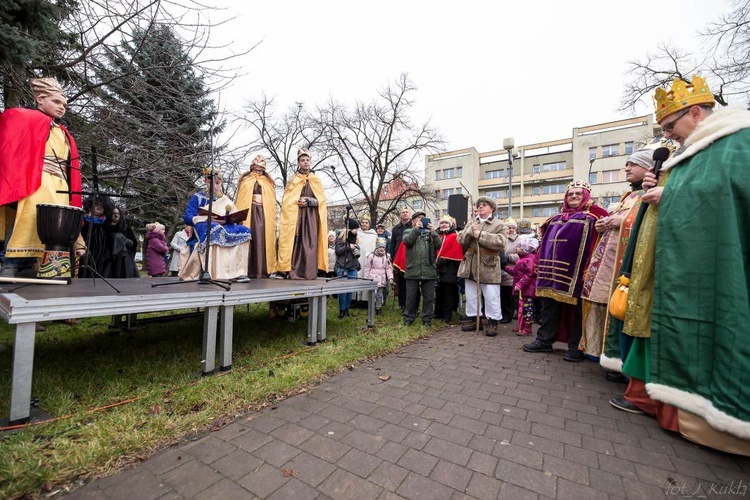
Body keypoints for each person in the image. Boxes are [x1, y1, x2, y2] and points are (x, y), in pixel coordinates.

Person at [613, 76, 750, 455]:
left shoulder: (736, 142)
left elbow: (727, 192)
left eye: (671, 127)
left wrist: (670, 192)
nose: (669, 136)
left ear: (695, 112)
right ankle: (659, 402)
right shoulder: (695, 151)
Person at [0, 77, 85, 278]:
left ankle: (39, 266)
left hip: (60, 183)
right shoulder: (25, 118)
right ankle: (10, 262)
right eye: (56, 102)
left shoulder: (63, 132)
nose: (61, 107)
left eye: (64, 104)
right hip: (37, 178)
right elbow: (10, 145)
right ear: (39, 100)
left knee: (57, 224)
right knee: (29, 218)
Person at [580, 150, 652, 363]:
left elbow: (644, 223)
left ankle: (620, 359)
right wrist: (604, 225)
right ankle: (598, 351)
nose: (627, 168)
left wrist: (623, 222)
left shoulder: (647, 194)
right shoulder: (627, 196)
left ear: (649, 168)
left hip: (625, 266)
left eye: (633, 164)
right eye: (627, 164)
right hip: (608, 262)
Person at [522, 181, 607, 360]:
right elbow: (543, 243)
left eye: (578, 193)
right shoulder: (555, 219)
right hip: (549, 272)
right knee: (548, 308)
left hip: (576, 274)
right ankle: (544, 341)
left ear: (586, 196)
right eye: (571, 194)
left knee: (576, 312)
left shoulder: (595, 217)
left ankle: (575, 347)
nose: (574, 196)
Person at [181, 170, 251, 282]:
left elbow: (236, 217)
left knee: (245, 230)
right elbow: (188, 217)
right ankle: (215, 272)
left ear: (221, 183)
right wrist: (204, 218)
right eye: (211, 183)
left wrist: (234, 219)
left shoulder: (226, 200)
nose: (214, 186)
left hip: (226, 226)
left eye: (217, 183)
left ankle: (238, 272)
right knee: (214, 228)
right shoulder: (197, 198)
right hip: (205, 226)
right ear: (205, 181)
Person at [457, 196, 507, 336]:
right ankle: (473, 317)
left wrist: (481, 235)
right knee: (472, 293)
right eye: (479, 205)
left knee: (491, 294)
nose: (480, 207)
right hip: (470, 263)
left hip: (489, 264)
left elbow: (501, 242)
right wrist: (470, 231)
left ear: (491, 208)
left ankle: (493, 320)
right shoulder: (472, 223)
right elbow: (460, 240)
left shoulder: (499, 224)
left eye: (484, 205)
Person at [276, 148, 328, 279]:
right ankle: (290, 271)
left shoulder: (316, 180)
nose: (305, 162)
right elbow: (287, 199)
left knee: (309, 242)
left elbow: (321, 201)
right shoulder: (293, 180)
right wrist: (297, 201)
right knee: (295, 241)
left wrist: (309, 201)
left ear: (310, 162)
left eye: (307, 160)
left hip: (310, 216)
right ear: (298, 162)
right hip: (296, 216)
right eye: (302, 160)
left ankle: (308, 272)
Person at [235, 154, 277, 279]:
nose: (258, 172)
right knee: (248, 238)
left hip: (263, 214)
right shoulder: (246, 181)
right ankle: (246, 269)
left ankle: (262, 270)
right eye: (255, 170)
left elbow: (271, 202)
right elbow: (241, 199)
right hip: (249, 213)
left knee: (262, 239)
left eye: (260, 170)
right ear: (251, 169)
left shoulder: (268, 183)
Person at [402, 212, 441, 326]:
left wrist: (433, 232)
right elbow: (407, 242)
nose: (421, 220)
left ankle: (427, 319)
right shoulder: (408, 231)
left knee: (429, 297)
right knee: (411, 297)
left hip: (429, 269)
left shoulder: (431, 233)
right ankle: (409, 318)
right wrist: (416, 229)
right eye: (419, 218)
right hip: (413, 269)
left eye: (423, 219)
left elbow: (439, 245)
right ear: (413, 221)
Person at [506, 236, 539, 336]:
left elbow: (529, 275)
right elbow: (516, 273)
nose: (517, 248)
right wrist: (505, 268)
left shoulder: (529, 260)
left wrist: (520, 284)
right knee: (520, 308)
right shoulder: (522, 259)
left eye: (520, 247)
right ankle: (521, 325)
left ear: (526, 249)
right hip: (521, 290)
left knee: (527, 309)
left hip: (527, 291)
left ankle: (527, 328)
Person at [434, 215, 463, 323]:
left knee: (448, 294)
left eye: (446, 223)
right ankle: (438, 313)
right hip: (438, 268)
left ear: (450, 224)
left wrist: (444, 260)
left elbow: (456, 251)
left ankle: (447, 315)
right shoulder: (437, 235)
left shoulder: (454, 235)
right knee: (439, 292)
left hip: (450, 268)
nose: (443, 225)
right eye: (442, 223)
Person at [79, 194, 115, 278]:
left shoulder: (105, 221)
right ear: (90, 206)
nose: (99, 210)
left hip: (101, 253)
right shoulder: (83, 219)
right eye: (96, 206)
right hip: (86, 249)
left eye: (102, 208)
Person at [334, 219, 360, 318]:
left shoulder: (356, 238)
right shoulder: (341, 237)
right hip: (342, 266)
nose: (357, 231)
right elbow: (338, 251)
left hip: (353, 266)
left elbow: (357, 250)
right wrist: (349, 247)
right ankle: (342, 310)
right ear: (350, 228)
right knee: (343, 290)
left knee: (350, 290)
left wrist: (356, 248)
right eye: (355, 229)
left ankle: (347, 309)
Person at [104, 206, 139, 278]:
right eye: (113, 213)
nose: (116, 215)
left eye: (118, 213)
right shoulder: (104, 227)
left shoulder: (125, 227)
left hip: (124, 259)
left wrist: (124, 240)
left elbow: (133, 243)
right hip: (109, 259)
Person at [389, 207, 412, 310]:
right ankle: (401, 303)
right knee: (400, 283)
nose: (405, 214)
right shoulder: (395, 229)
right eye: (403, 212)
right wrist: (392, 258)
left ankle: (410, 304)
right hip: (398, 259)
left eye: (407, 212)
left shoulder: (413, 226)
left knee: (410, 283)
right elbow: (392, 244)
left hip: (410, 257)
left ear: (410, 215)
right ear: (400, 215)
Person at [364, 237, 393, 315]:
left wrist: (390, 278)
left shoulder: (386, 257)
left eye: (383, 247)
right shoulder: (371, 256)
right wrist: (366, 278)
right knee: (372, 295)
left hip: (382, 279)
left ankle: (378, 308)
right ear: (377, 247)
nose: (381, 249)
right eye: (380, 247)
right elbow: (367, 268)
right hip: (372, 279)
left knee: (380, 295)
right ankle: (371, 308)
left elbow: (388, 269)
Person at [500, 218, 520, 323]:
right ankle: (501, 314)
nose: (511, 230)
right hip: (500, 269)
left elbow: (521, 255)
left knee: (509, 295)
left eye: (513, 228)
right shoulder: (502, 238)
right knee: (501, 295)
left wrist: (508, 257)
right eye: (509, 227)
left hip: (511, 270)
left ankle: (508, 315)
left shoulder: (519, 240)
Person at [354, 218, 378, 306]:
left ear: (369, 224)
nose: (364, 224)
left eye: (366, 222)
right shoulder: (357, 233)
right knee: (357, 276)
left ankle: (366, 300)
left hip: (369, 260)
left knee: (367, 276)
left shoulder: (374, 235)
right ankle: (356, 299)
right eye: (363, 222)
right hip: (358, 259)